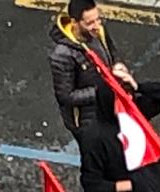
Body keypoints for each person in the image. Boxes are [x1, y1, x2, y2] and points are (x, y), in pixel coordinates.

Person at [50, 0, 129, 138]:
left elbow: (112, 51)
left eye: (98, 19)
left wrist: (117, 64)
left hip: (110, 107)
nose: (96, 26)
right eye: (89, 23)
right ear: (74, 22)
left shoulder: (98, 30)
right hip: (88, 121)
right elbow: (66, 96)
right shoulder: (62, 55)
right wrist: (102, 91)